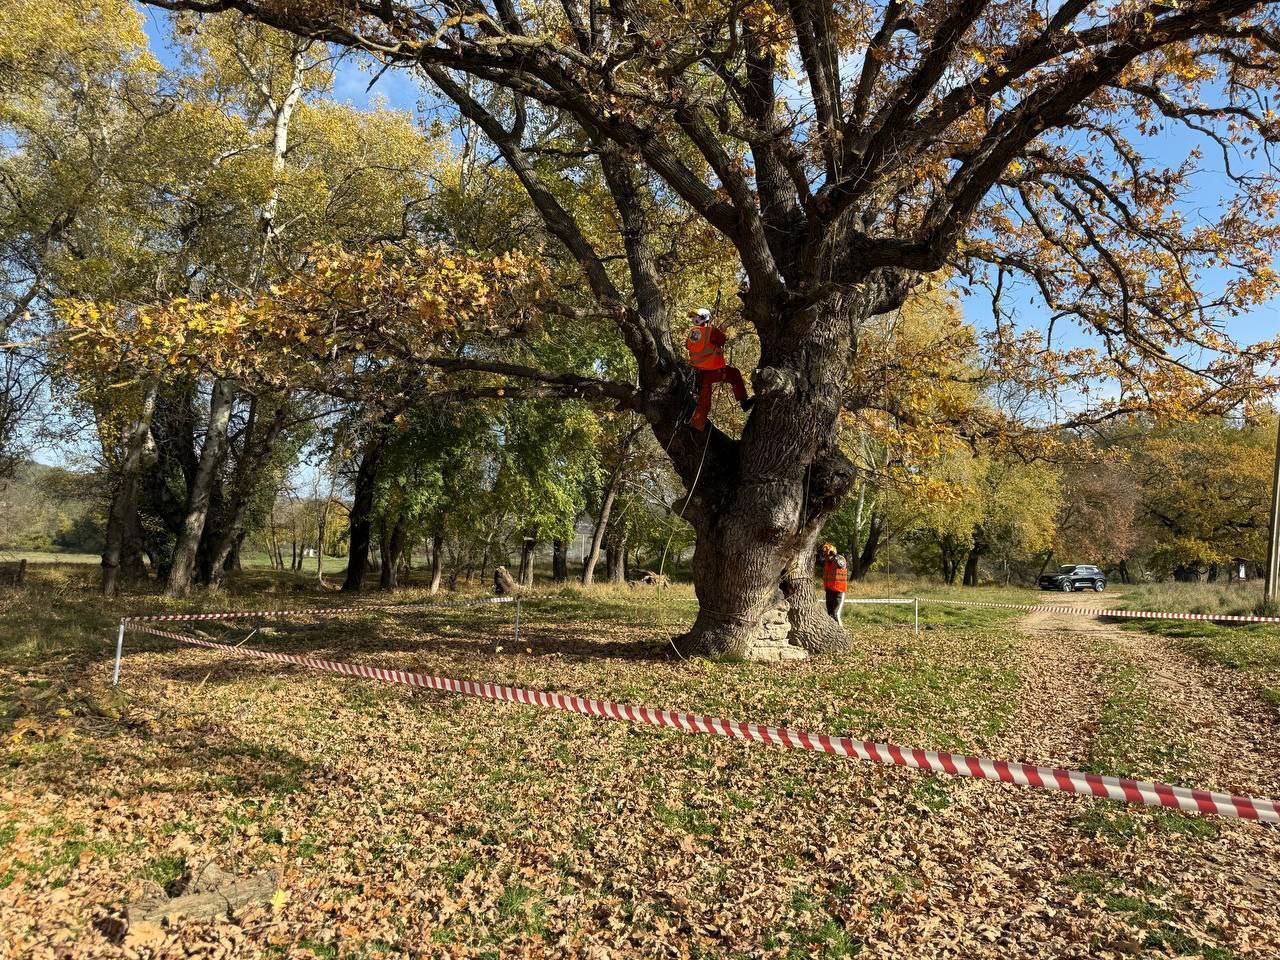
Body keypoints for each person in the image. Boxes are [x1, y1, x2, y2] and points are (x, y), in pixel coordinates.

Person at [685, 307, 752, 430]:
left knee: (704, 401)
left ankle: (697, 425)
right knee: (734, 374)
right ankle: (744, 402)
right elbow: (723, 339)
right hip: (714, 371)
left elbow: (688, 346)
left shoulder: (691, 334)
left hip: (699, 373)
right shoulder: (712, 332)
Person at [820, 542, 848, 623]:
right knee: (829, 614)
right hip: (829, 591)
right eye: (824, 554)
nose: (825, 557)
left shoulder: (839, 559)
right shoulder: (827, 563)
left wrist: (834, 556)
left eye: (826, 554)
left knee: (835, 614)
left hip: (838, 592)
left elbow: (842, 565)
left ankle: (841, 633)